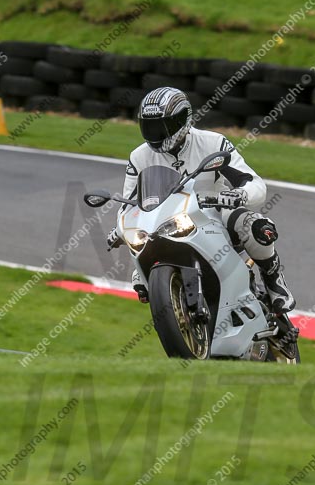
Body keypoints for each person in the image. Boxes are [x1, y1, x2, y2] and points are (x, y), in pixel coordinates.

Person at [107, 86, 295, 314]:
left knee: (254, 224)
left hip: (213, 214)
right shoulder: (139, 157)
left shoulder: (213, 142)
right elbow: (129, 204)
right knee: (137, 255)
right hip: (161, 224)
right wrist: (119, 229)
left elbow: (252, 182)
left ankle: (273, 278)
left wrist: (239, 195)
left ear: (182, 120)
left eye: (163, 126)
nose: (156, 133)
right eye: (150, 126)